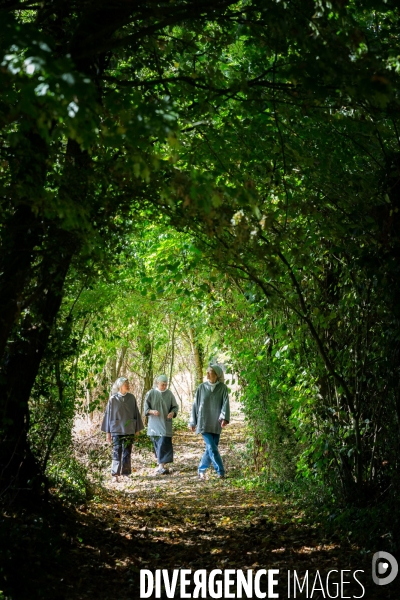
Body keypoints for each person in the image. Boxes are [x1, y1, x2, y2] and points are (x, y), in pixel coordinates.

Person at [189, 364, 230, 480]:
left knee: (211, 448)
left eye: (210, 372)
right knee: (212, 447)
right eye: (206, 371)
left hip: (216, 423)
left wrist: (224, 418)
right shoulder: (201, 387)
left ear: (216, 375)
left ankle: (201, 470)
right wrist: (193, 421)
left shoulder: (223, 388)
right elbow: (195, 405)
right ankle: (221, 471)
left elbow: (225, 404)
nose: (207, 374)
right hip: (204, 422)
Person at [101, 376, 144, 482]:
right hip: (116, 429)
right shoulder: (113, 399)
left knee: (127, 452)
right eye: (126, 384)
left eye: (128, 383)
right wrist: (108, 432)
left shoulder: (132, 398)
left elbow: (136, 414)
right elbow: (108, 416)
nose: (128, 385)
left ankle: (126, 473)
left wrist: (137, 430)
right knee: (117, 451)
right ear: (120, 386)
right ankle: (115, 474)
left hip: (129, 429)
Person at [144, 374, 179, 475]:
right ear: (157, 383)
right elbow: (145, 409)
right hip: (154, 425)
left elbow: (175, 407)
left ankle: (161, 466)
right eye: (162, 384)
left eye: (166, 384)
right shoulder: (150, 393)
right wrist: (152, 411)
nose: (164, 386)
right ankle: (160, 464)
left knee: (164, 443)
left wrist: (172, 413)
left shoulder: (169, 394)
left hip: (165, 424)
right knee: (157, 445)